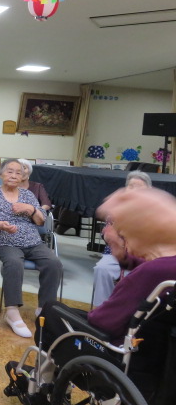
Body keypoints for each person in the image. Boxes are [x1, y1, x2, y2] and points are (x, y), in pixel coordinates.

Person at [34, 187, 176, 401]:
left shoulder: (151, 272)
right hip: (159, 360)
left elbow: (102, 321)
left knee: (51, 311)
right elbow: (153, 264)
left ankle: (44, 382)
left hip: (124, 358)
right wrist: (124, 254)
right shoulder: (166, 267)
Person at [0, 158, 62, 338]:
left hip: (32, 241)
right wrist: (2, 225)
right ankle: (12, 311)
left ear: (23, 176)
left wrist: (30, 209)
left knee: (53, 262)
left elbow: (40, 221)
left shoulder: (28, 196)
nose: (14, 175)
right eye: (10, 171)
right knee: (14, 262)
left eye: (19, 172)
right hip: (2, 240)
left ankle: (44, 308)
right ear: (1, 173)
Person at [92, 170, 152, 307]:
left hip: (144, 256)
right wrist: (112, 238)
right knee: (101, 269)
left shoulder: (153, 211)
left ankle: (132, 311)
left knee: (145, 274)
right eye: (131, 186)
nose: (134, 191)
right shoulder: (117, 208)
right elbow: (106, 234)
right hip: (116, 254)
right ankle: (102, 308)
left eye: (139, 188)